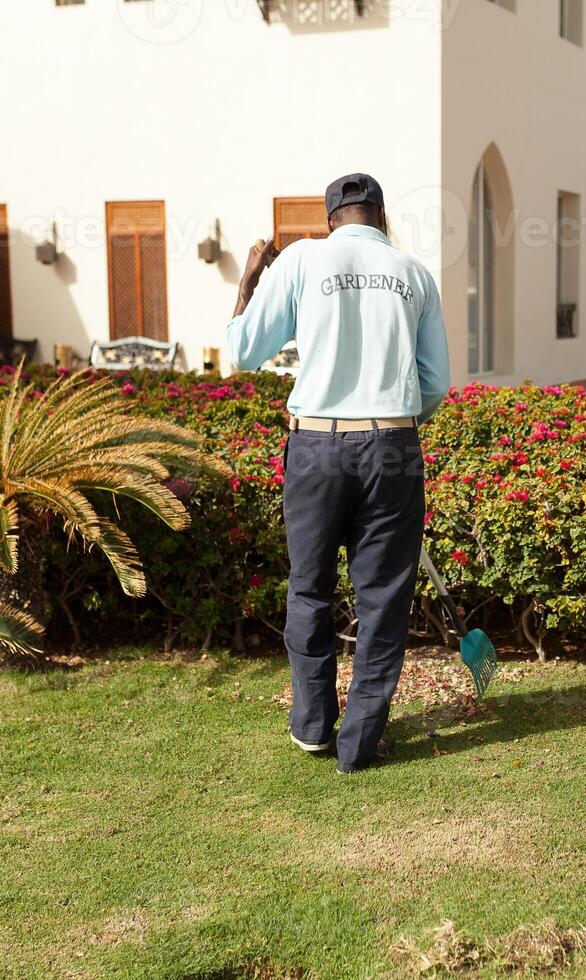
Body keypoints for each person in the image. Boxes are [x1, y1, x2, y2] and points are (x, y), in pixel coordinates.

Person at [225, 173, 451, 774]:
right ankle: (360, 742)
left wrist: (249, 280)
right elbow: (437, 383)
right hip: (392, 443)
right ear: (380, 216)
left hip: (317, 445)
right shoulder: (414, 273)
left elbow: (243, 351)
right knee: (381, 598)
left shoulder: (301, 261)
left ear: (331, 220)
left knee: (309, 588)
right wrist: (394, 424)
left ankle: (313, 728)